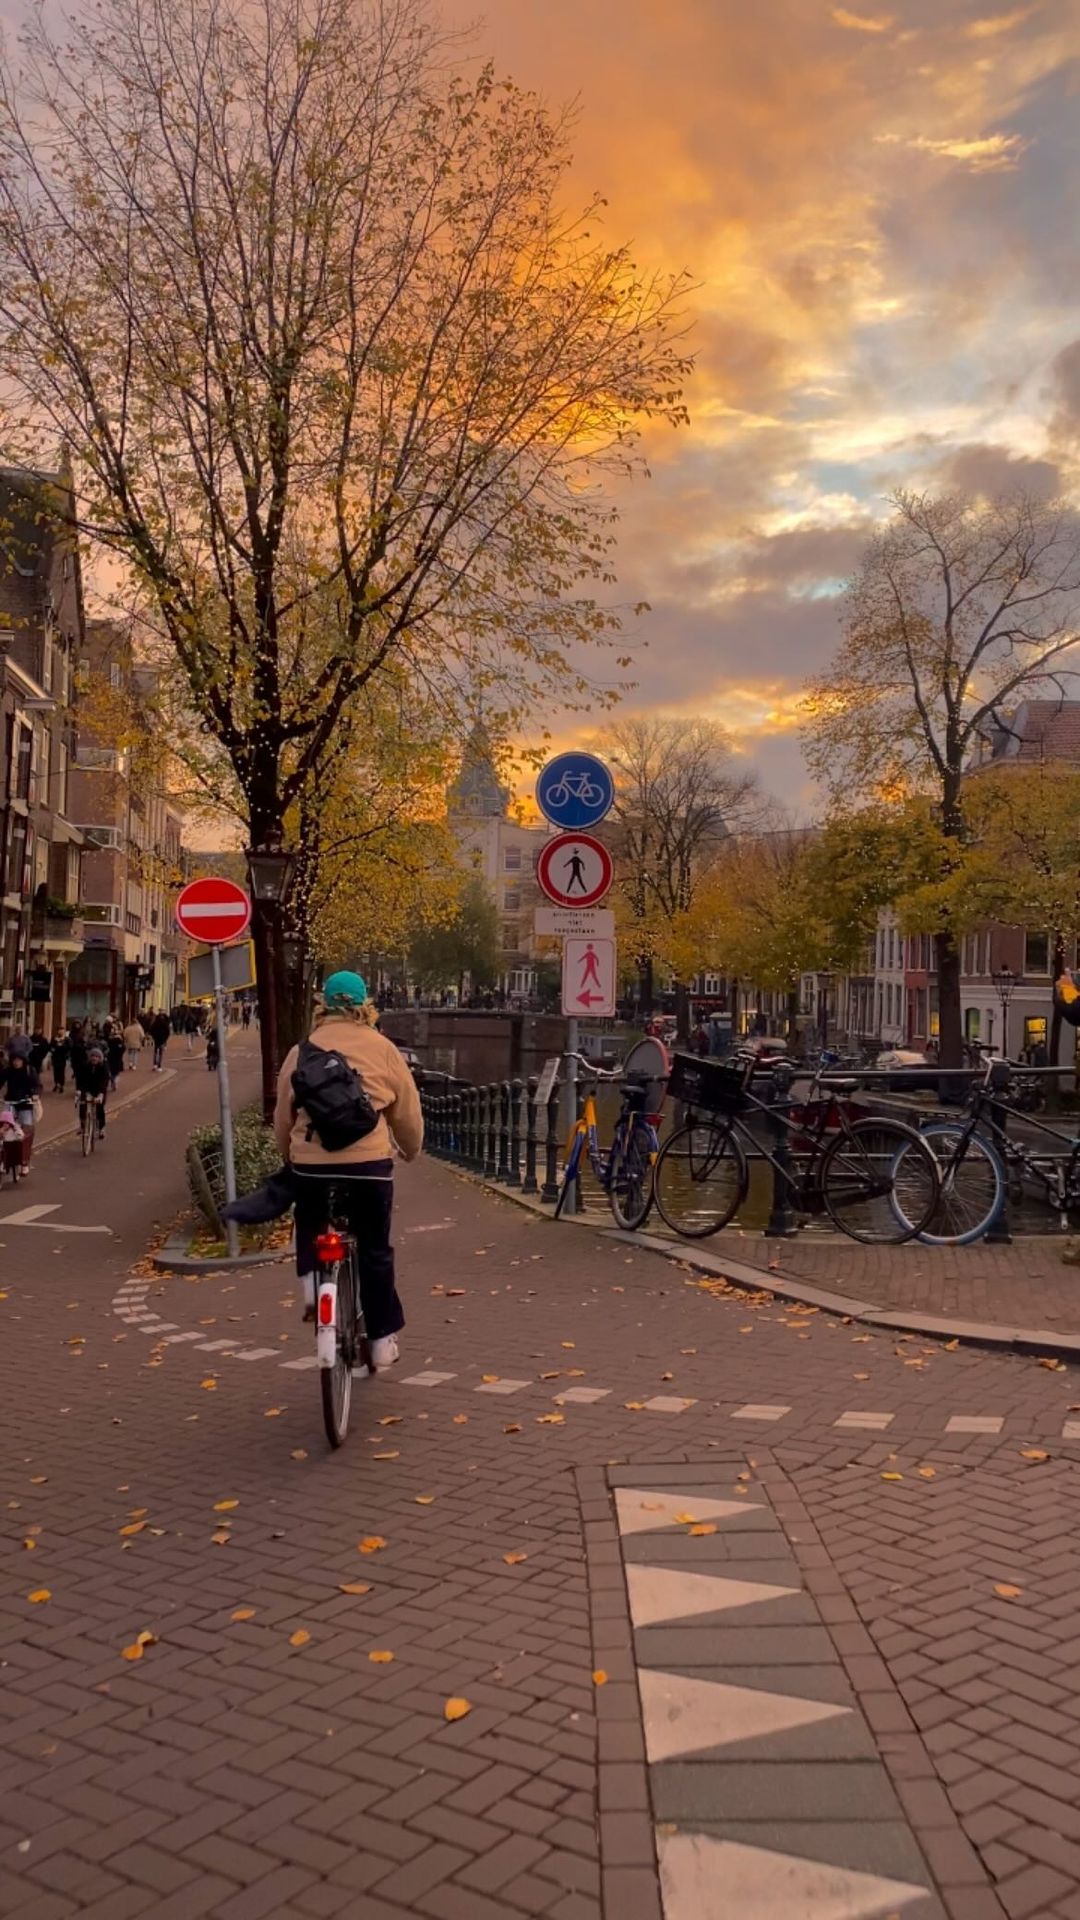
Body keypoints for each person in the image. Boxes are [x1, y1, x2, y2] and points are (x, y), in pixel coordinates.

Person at [273, 970, 422, 1366]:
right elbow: (407, 1113)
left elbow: (283, 1116)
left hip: (312, 1166)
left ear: (324, 1004)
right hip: (369, 1166)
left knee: (309, 1215)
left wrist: (289, 1156)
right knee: (375, 1248)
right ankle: (380, 1340)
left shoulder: (301, 1050)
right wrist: (410, 1150)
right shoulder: (383, 1048)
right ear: (364, 1006)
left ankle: (309, 1282)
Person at [0, 1036, 41, 1176]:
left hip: (25, 1103)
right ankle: (3, 1159)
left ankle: (24, 1162)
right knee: (3, 1129)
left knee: (27, 1131)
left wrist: (35, 1094)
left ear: (23, 1060)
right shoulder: (7, 1071)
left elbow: (37, 1085)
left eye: (18, 1060)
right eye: (14, 1060)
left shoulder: (30, 1071)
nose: (16, 1062)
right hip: (10, 1102)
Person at [74, 1041, 110, 1142]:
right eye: (92, 1056)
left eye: (97, 1056)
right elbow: (80, 1079)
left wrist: (101, 1094)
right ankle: (82, 1126)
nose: (94, 1058)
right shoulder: (85, 1066)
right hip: (87, 1089)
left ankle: (101, 1128)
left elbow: (104, 1080)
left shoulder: (103, 1067)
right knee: (82, 1105)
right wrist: (79, 1090)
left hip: (99, 1090)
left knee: (99, 1108)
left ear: (100, 1058)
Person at [50, 1027, 71, 1093]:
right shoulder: (54, 1038)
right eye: (59, 1030)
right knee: (56, 1072)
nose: (60, 1032)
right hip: (55, 1057)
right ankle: (56, 1084)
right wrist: (53, 1049)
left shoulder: (66, 1039)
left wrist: (62, 1047)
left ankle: (61, 1085)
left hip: (63, 1057)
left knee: (61, 1071)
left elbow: (69, 1047)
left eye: (62, 1031)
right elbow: (51, 1046)